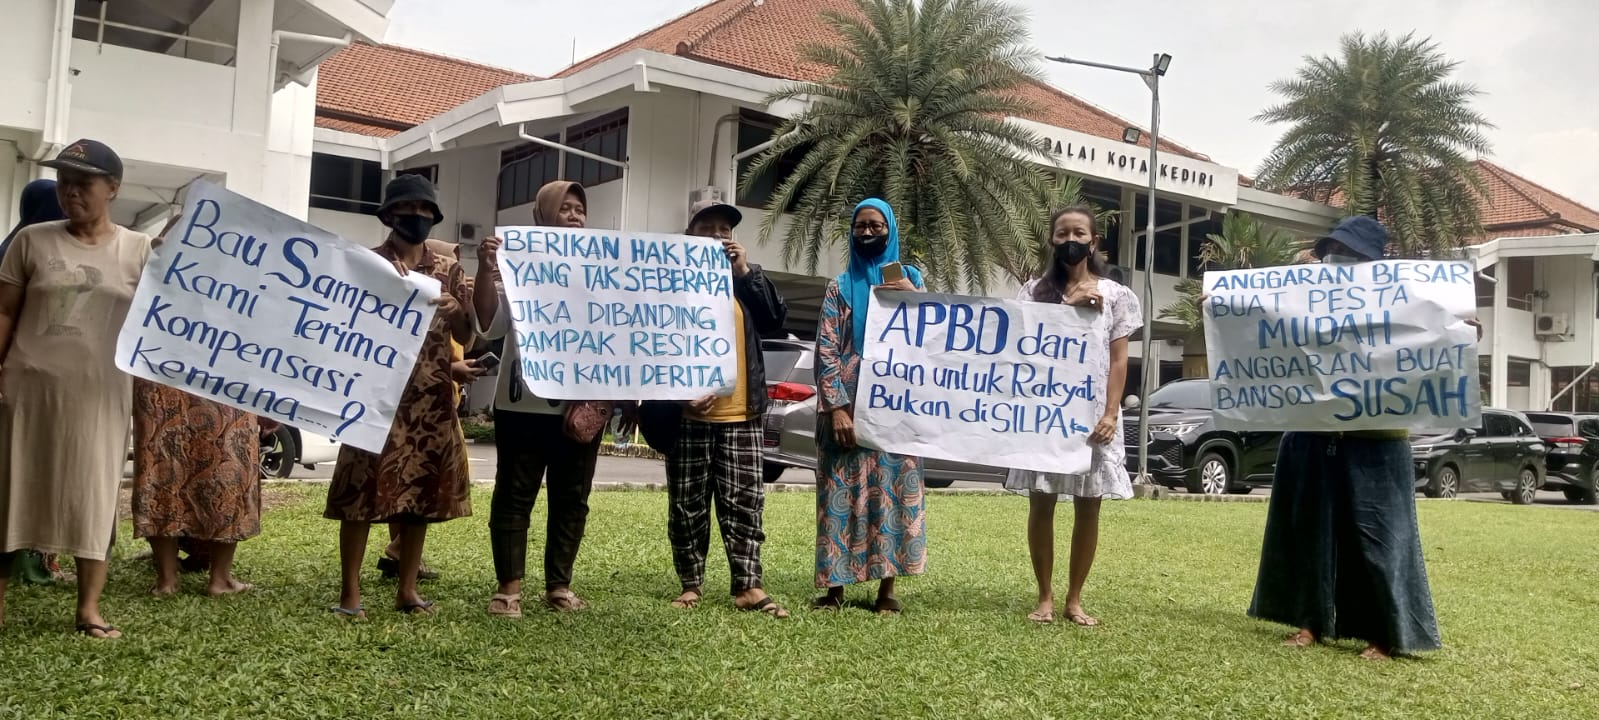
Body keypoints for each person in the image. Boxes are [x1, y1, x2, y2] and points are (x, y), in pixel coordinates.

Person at [1248, 215, 1473, 660]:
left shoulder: (1406, 301)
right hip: (1313, 433)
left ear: (1374, 261)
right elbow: (1263, 334)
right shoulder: (1306, 298)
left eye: (1350, 254)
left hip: (1377, 439)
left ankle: (1385, 634)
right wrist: (1223, 306)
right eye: (1334, 251)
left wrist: (1460, 333)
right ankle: (1310, 623)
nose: (1339, 260)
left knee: (1381, 538)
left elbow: (1437, 344)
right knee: (1310, 532)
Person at [0, 139, 152, 638]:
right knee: (9, 491)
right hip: (26, 390)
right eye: (63, 182)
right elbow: (4, 312)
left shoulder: (138, 249)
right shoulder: (31, 241)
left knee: (93, 494)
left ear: (113, 189)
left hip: (101, 396)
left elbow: (164, 321)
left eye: (82, 183)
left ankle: (88, 609)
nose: (69, 192)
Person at [324, 174, 473, 618]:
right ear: (389, 216)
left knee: (420, 497)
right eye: (410, 211)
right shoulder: (366, 264)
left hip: (430, 400)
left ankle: (407, 589)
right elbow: (341, 325)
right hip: (374, 398)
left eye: (427, 212)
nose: (419, 219)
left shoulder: (448, 271)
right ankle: (350, 594)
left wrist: (457, 308)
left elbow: (467, 334)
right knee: (358, 496)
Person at [1003, 207, 1140, 626]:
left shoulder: (1116, 295)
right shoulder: (1032, 292)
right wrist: (1067, 308)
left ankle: (1074, 599)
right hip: (1045, 416)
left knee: (1088, 506)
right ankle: (1044, 596)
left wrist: (1111, 413)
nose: (1070, 240)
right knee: (1040, 504)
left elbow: (1119, 360)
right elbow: (1021, 344)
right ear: (1051, 241)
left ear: (1094, 241)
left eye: (1079, 233)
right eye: (1062, 233)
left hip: (1094, 419)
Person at [476, 181, 602, 617]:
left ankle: (559, 586)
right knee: (514, 494)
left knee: (572, 497)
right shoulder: (516, 267)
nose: (574, 215)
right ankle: (508, 587)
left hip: (580, 409)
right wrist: (485, 269)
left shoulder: (603, 273)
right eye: (565, 208)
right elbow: (488, 324)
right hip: (521, 405)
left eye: (580, 209)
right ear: (543, 215)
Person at [661, 200, 790, 617]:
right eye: (708, 227)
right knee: (687, 502)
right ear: (689, 236)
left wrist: (746, 274)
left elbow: (775, 320)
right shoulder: (668, 285)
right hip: (687, 416)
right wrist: (677, 393)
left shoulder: (745, 281)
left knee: (745, 501)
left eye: (725, 229)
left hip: (742, 413)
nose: (719, 235)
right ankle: (690, 584)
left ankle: (748, 586)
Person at [812, 198, 926, 615]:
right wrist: (837, 407)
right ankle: (835, 588)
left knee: (891, 495)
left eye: (876, 226)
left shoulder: (911, 278)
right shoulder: (839, 287)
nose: (867, 233)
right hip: (846, 409)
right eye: (860, 226)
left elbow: (934, 336)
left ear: (890, 229)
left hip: (896, 409)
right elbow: (825, 350)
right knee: (840, 495)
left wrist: (915, 298)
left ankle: (886, 590)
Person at [370, 238, 486, 582]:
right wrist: (453, 371)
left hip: (438, 400)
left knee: (427, 477)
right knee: (411, 476)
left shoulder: (449, 297)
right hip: (403, 398)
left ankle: (403, 556)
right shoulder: (392, 277)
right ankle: (398, 550)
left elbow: (462, 338)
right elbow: (406, 355)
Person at [0, 178, 70, 587]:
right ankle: (33, 565)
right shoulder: (29, 256)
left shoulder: (10, 248)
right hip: (27, 377)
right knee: (33, 470)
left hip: (18, 376)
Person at [131, 382, 261, 597]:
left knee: (161, 463)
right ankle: (220, 579)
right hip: (224, 374)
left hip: (162, 370)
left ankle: (167, 580)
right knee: (227, 463)